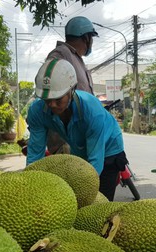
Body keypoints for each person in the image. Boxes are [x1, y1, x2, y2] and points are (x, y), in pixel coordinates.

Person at [26, 58, 127, 201]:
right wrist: (30, 182)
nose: (52, 105)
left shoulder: (91, 110)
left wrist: (85, 193)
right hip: (78, 149)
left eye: (58, 99)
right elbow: (35, 153)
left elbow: (95, 160)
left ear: (71, 91)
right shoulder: (37, 111)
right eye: (47, 100)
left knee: (99, 201)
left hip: (108, 148)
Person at [44, 16, 99, 154]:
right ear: (86, 37)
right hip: (65, 142)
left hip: (82, 138)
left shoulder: (77, 60)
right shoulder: (61, 54)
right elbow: (48, 89)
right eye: (91, 37)